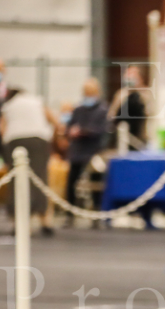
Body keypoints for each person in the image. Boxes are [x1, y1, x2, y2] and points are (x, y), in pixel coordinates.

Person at [0, 88, 58, 236]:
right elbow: (54, 120)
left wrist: (6, 145)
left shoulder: (9, 105)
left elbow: (2, 128)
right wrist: (51, 136)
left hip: (15, 140)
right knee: (40, 178)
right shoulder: (36, 101)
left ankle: (19, 223)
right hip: (39, 140)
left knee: (16, 180)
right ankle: (45, 220)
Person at [66, 78, 108, 220]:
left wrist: (83, 131)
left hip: (94, 152)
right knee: (72, 181)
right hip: (77, 152)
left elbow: (100, 130)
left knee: (96, 182)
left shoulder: (102, 110)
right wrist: (71, 131)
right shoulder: (78, 110)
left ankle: (96, 212)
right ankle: (69, 212)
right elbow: (69, 127)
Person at [109, 64, 149, 149]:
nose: (129, 77)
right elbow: (112, 114)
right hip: (123, 138)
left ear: (140, 77)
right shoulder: (121, 94)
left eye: (132, 74)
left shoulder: (147, 94)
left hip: (141, 138)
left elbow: (149, 113)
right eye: (127, 74)